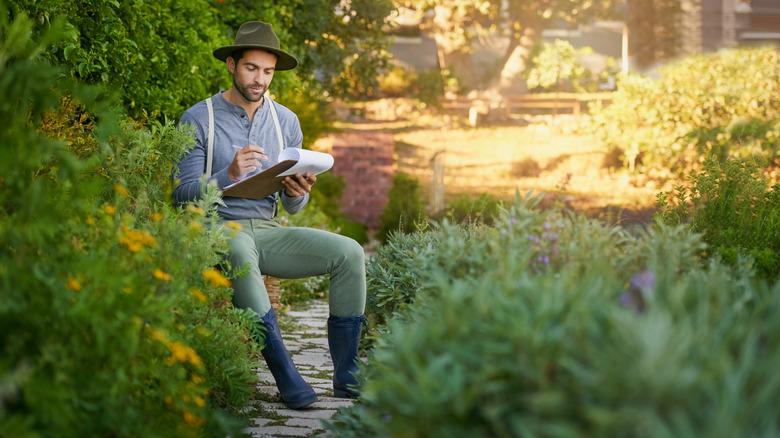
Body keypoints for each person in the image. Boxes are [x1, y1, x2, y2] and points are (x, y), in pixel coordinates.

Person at [172, 21, 367, 410]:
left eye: (267, 71)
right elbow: (181, 197)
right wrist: (227, 174)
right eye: (251, 68)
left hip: (268, 228)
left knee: (350, 253)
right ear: (231, 64)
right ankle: (286, 376)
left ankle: (347, 375)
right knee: (242, 256)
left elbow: (293, 207)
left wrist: (299, 192)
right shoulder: (199, 117)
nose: (260, 79)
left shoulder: (285, 121)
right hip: (219, 228)